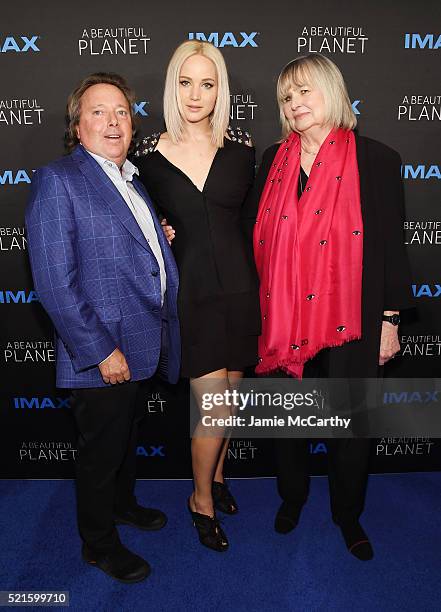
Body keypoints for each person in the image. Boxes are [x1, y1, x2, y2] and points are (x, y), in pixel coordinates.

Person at [246, 53, 413, 560]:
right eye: (286, 96)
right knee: (290, 422)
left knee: (351, 426)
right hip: (285, 317)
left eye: (304, 91)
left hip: (354, 319)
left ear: (331, 92)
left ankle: (348, 514)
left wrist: (389, 319)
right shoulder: (272, 162)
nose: (294, 103)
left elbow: (389, 247)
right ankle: (292, 498)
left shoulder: (377, 160)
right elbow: (252, 237)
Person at [25, 73, 181, 583]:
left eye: (121, 111)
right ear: (77, 125)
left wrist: (156, 239)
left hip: (141, 341)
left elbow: (120, 249)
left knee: (124, 438)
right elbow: (55, 282)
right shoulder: (60, 180)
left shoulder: (131, 178)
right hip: (104, 348)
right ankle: (98, 544)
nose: (113, 121)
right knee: (99, 453)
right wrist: (101, 351)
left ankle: (122, 505)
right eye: (98, 111)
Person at [134, 40, 260, 551]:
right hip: (194, 297)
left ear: (219, 90)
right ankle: (200, 500)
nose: (195, 93)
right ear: (172, 85)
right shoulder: (147, 155)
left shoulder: (242, 147)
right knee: (215, 408)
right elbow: (134, 223)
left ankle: (221, 478)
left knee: (231, 397)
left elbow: (255, 220)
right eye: (186, 82)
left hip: (242, 290)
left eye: (207, 83)